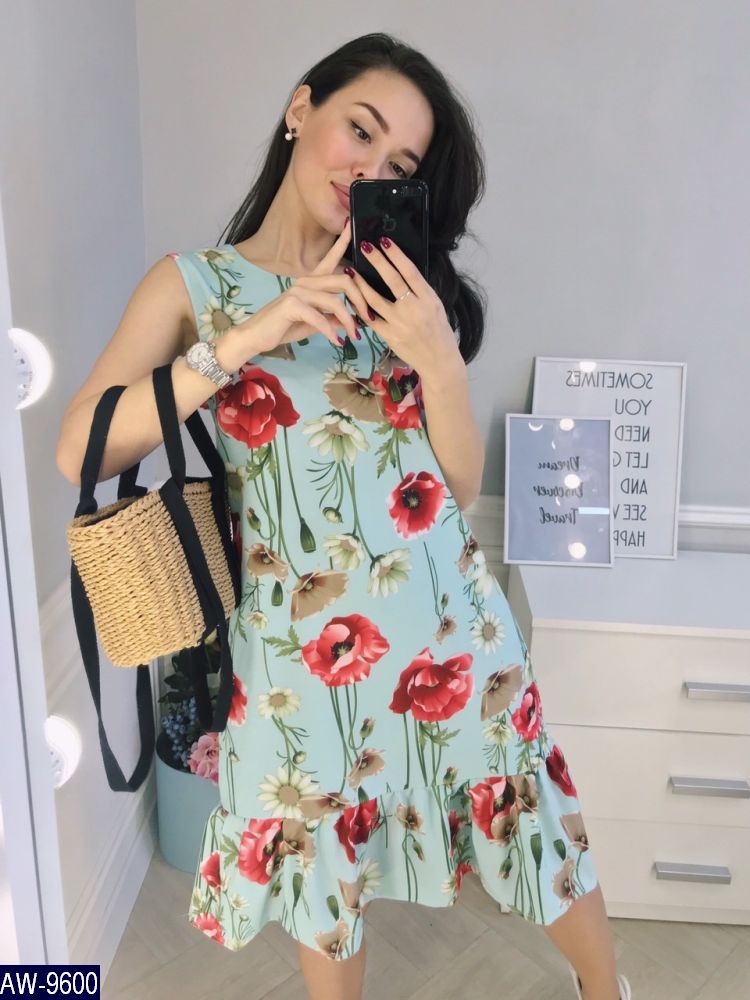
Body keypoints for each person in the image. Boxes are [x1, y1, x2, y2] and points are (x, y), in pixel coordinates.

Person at [56, 31, 631, 1000]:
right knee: (321, 858)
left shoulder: (403, 290)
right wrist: (245, 339)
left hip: (451, 626)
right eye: (359, 131)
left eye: (399, 164)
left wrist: (438, 358)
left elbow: (456, 487)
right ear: (301, 109)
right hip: (297, 649)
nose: (369, 170)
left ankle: (609, 991)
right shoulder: (195, 287)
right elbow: (82, 447)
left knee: (533, 822)